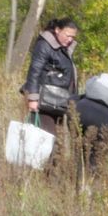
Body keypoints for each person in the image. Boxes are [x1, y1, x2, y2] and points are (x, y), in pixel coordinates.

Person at [22, 17, 81, 170]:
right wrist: (33, 98)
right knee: (48, 141)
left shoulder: (64, 48)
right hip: (43, 103)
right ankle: (43, 176)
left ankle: (53, 176)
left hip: (59, 103)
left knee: (59, 142)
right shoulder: (44, 45)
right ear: (57, 30)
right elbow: (34, 72)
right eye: (67, 35)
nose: (70, 39)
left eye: (73, 37)